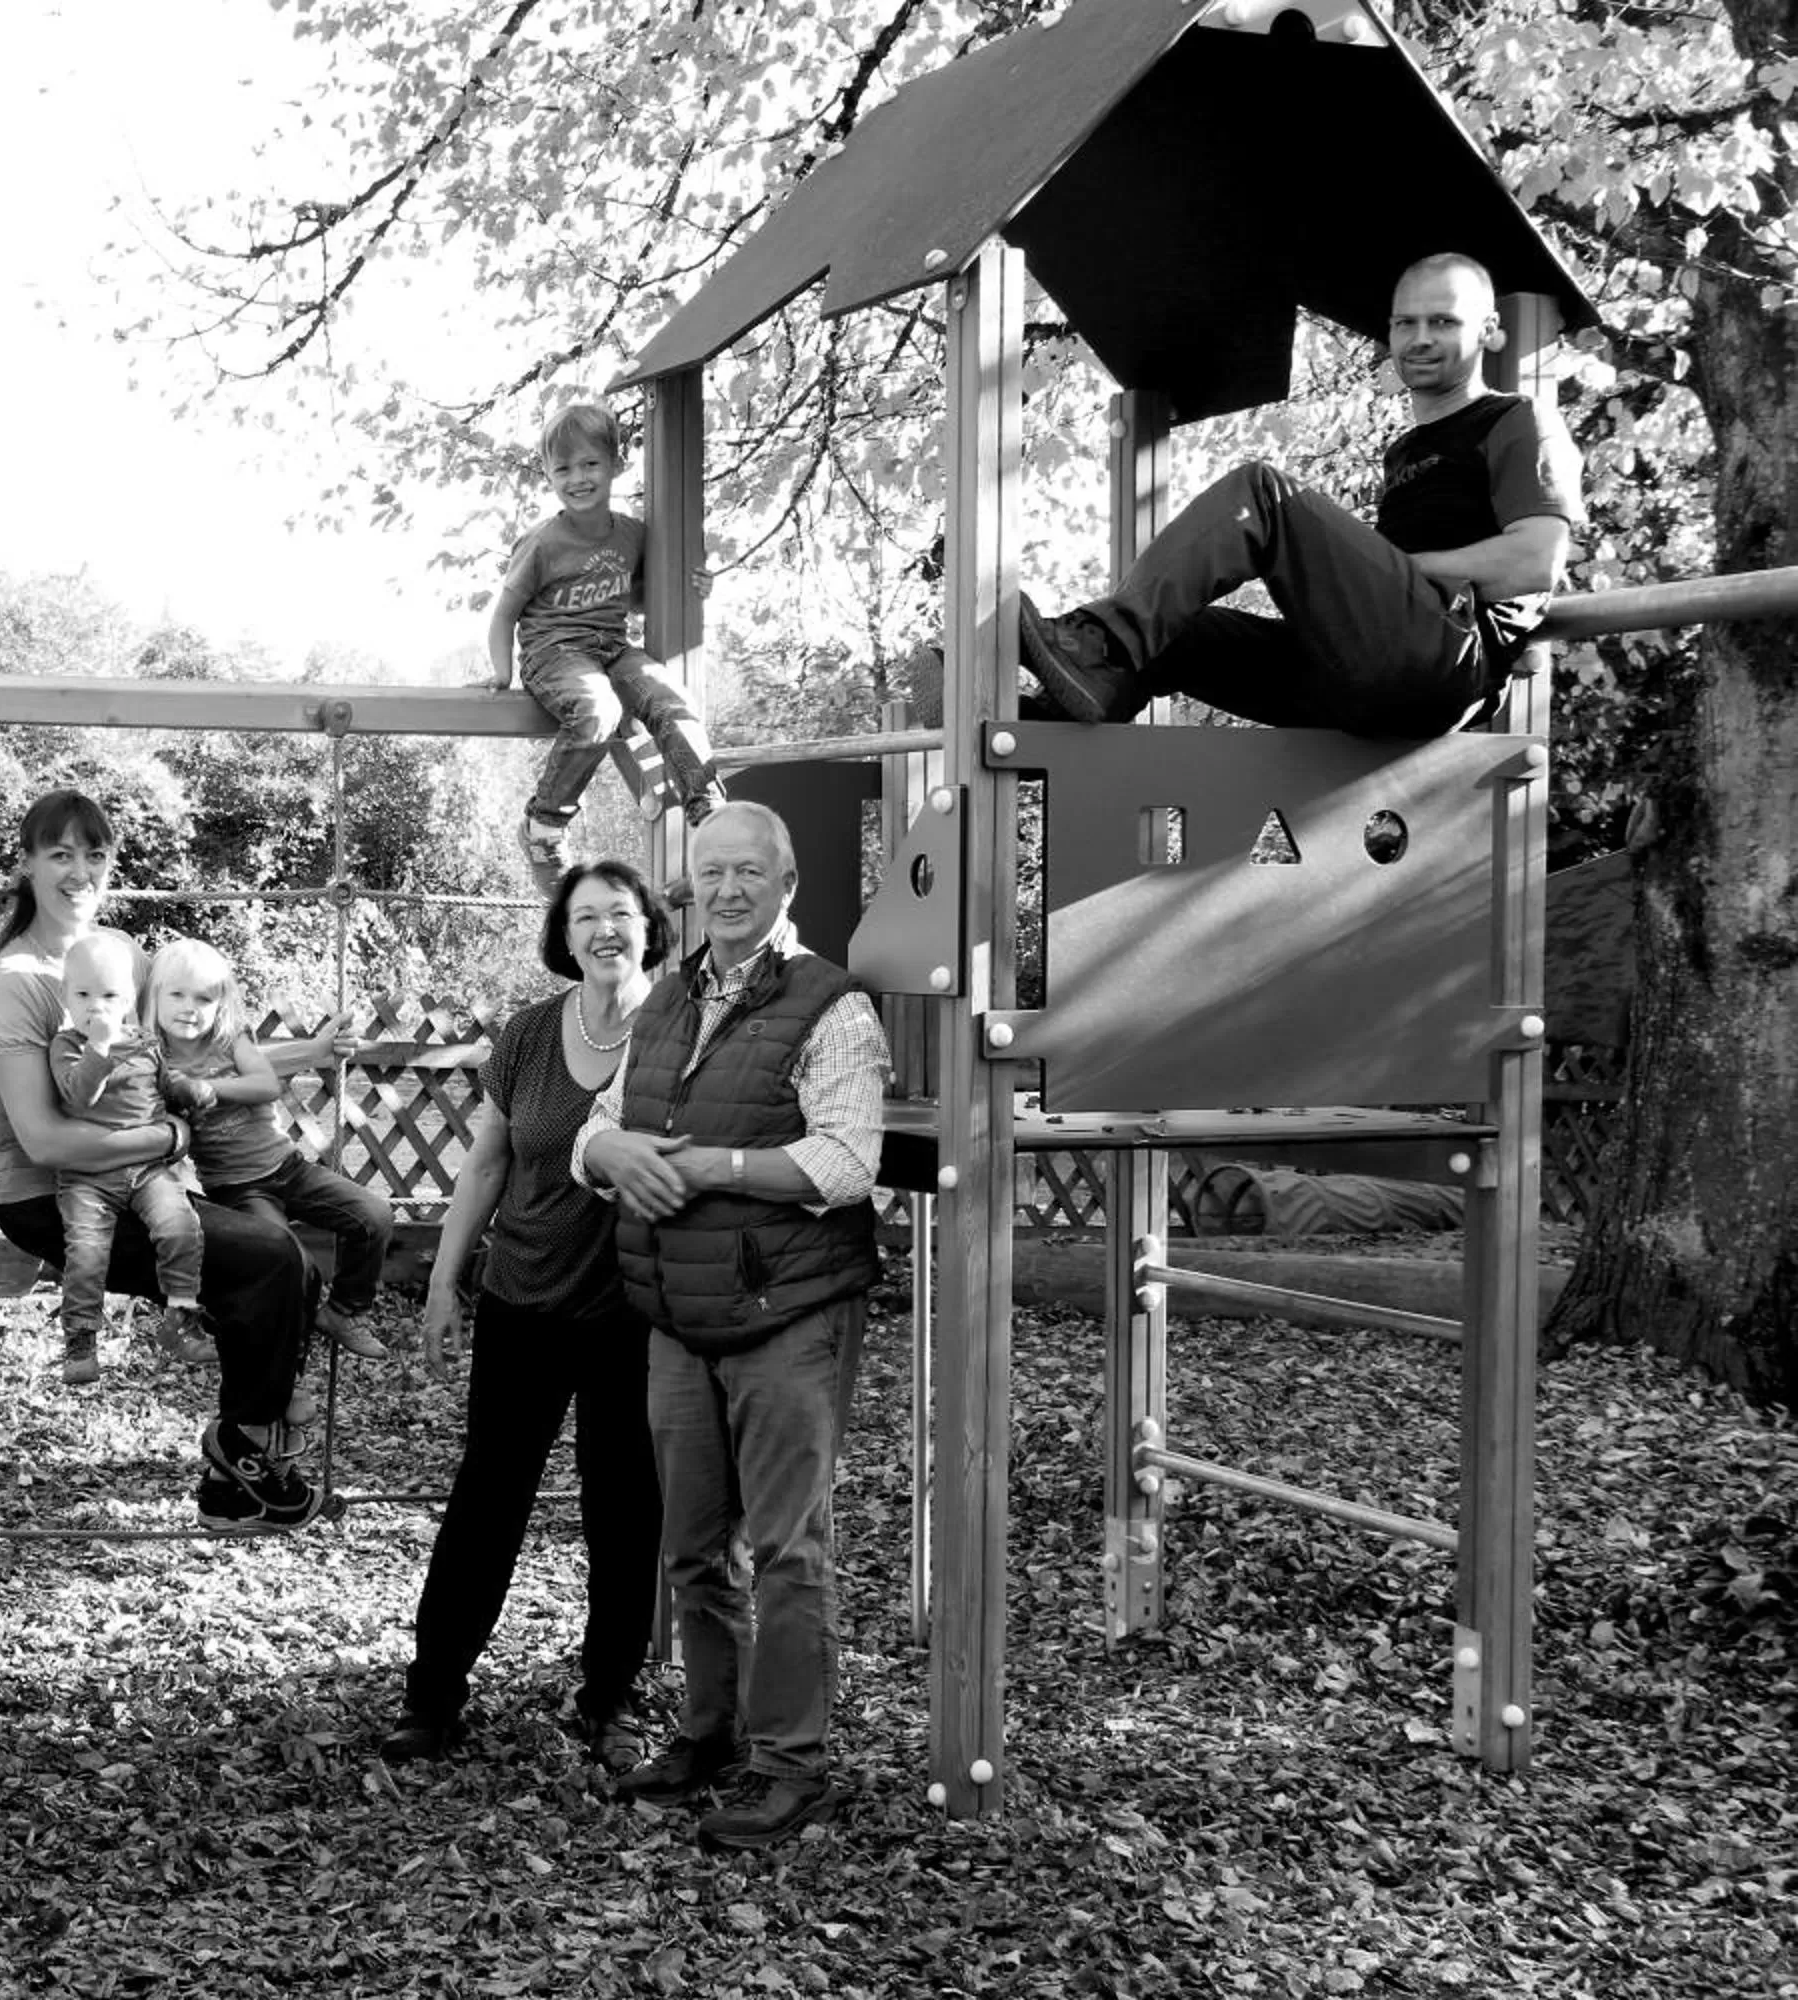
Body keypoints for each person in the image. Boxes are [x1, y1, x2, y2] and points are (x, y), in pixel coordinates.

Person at [576, 801, 886, 1851]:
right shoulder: (665, 999)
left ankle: (792, 1763)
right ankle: (711, 1732)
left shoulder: (832, 1007)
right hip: (679, 1312)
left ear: (788, 881)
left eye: (750, 870)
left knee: (789, 1546)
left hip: (789, 1311)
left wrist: (712, 1167)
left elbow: (847, 1162)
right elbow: (599, 1125)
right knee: (693, 1546)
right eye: (712, 872)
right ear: (690, 887)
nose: (729, 888)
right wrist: (605, 1157)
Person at [1007, 252, 1584, 738]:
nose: (1421, 338)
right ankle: (1055, 721)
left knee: (1264, 492)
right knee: (1181, 632)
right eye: (1405, 324)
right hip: (1355, 682)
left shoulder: (1517, 420)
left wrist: (1407, 571)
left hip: (1444, 665)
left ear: (1487, 330)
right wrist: (1381, 581)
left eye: (1443, 322)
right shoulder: (1406, 451)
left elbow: (1536, 561)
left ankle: (1094, 639)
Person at [381, 860, 675, 1780]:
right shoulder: (529, 1034)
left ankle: (611, 1696)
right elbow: (486, 1164)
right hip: (523, 1299)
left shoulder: (679, 1030)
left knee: (625, 1507)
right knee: (487, 1501)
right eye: (586, 916)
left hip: (633, 1307)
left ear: (648, 926)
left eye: (620, 914)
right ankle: (433, 1695)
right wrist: (443, 1280)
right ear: (564, 933)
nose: (604, 931)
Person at [0, 789, 325, 1531]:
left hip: (135, 1178)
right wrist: (167, 1140)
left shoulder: (113, 959)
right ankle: (242, 1444)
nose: (80, 870)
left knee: (289, 1271)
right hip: (58, 1194)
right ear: (27, 865)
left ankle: (232, 1488)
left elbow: (196, 1054)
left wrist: (305, 1055)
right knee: (269, 1258)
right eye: (60, 853)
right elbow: (45, 1142)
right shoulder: (18, 982)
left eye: (94, 854)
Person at [489, 401, 726, 891]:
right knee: (598, 708)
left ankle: (707, 808)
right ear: (549, 475)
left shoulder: (633, 535)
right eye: (563, 468)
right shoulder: (543, 543)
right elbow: (505, 612)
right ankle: (544, 823)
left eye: (590, 464)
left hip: (612, 647)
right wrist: (502, 673)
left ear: (616, 465)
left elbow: (641, 596)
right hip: (554, 653)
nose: (577, 478)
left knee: (669, 697)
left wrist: (694, 585)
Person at [149, 937, 395, 1364]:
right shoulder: (154, 1061)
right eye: (176, 995)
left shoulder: (230, 1040)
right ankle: (280, 1368)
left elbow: (264, 1082)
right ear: (153, 998)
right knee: (293, 1269)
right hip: (235, 1189)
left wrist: (206, 1089)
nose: (189, 1007)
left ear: (221, 1004)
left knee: (374, 1216)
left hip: (288, 1167)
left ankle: (345, 1311)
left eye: (204, 998)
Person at [46, 931, 208, 1386]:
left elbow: (162, 1085)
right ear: (65, 997)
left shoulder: (144, 1041)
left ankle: (181, 1316)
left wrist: (186, 1091)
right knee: (87, 1250)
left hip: (148, 1169)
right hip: (87, 1176)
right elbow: (78, 1098)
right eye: (82, 994)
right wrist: (98, 1047)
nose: (96, 1005)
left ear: (129, 999)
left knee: (180, 1225)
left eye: (109, 995)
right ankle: (80, 1339)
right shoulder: (69, 1046)